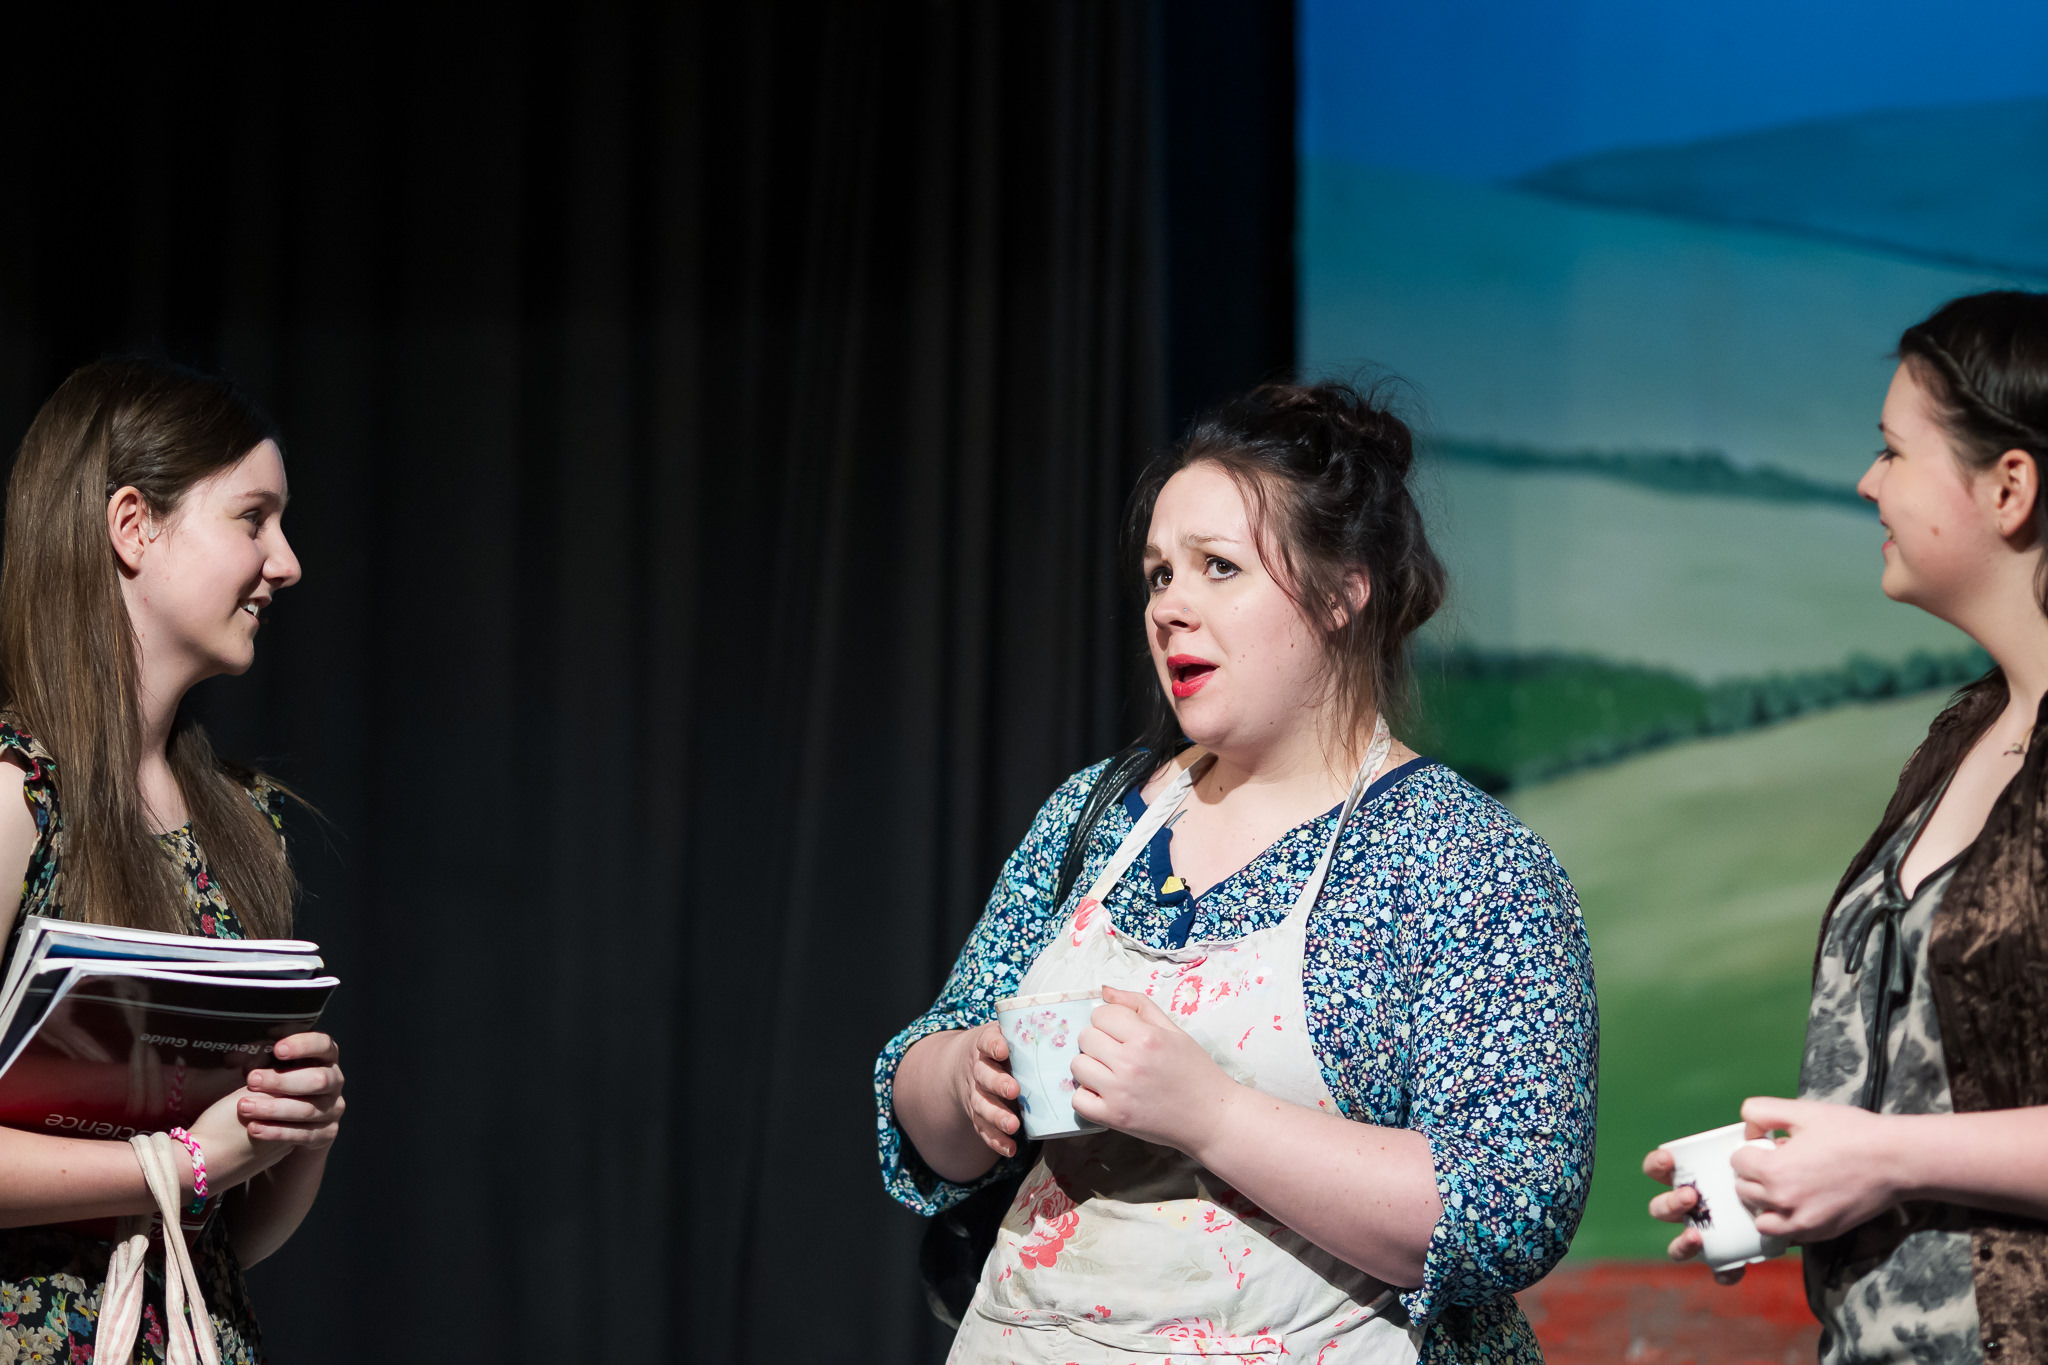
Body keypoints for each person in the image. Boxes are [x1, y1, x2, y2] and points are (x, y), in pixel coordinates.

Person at [875, 382, 1599, 1363]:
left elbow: (1506, 1208)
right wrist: (966, 1077)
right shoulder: (1097, 814)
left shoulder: (1461, 862)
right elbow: (920, 1106)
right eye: (1158, 574)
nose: (1169, 607)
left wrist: (1209, 1114)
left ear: (1342, 592)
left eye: (1218, 567)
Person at [1646, 291, 2048, 1363]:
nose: (1869, 482)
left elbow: (1911, 1146)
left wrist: (1887, 1158)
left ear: (2009, 487)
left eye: (1894, 452)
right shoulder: (1964, 734)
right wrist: (1798, 1173)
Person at [0, 359, 346, 1364]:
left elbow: (226, 1238)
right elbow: (194, 1170)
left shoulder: (245, 823)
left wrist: (295, 1131)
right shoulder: (20, 795)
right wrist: (187, 1158)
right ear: (132, 526)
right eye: (253, 519)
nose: (286, 563)